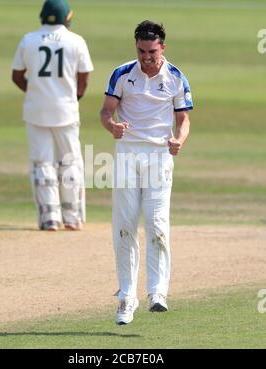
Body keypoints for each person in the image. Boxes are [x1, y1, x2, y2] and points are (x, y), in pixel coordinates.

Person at [100, 20, 193, 325]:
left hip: (159, 155)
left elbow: (183, 120)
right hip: (127, 153)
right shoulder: (123, 74)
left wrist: (178, 140)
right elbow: (105, 111)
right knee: (125, 226)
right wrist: (112, 125)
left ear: (162, 47)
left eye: (151, 51)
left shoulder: (176, 77)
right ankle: (127, 298)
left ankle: (157, 292)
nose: (146, 57)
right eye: (141, 51)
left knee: (157, 224)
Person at [12, 0, 93, 231]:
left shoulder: (28, 39)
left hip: (36, 109)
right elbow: (84, 77)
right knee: (70, 161)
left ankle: (50, 219)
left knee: (42, 163)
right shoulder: (76, 41)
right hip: (66, 110)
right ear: (67, 17)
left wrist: (37, 92)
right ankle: (72, 217)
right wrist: (75, 96)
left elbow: (17, 76)